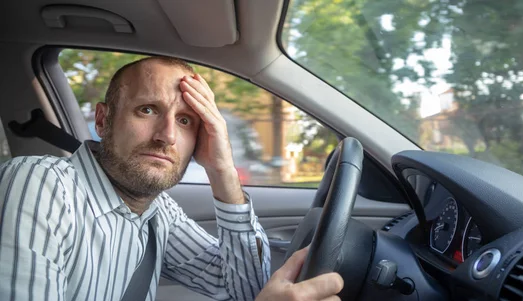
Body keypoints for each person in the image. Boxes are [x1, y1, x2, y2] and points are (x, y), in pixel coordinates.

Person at [0, 56, 343, 301]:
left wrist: (221, 171)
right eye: (147, 110)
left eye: (185, 121)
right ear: (103, 120)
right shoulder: (39, 184)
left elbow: (245, 290)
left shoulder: (157, 211)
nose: (167, 136)